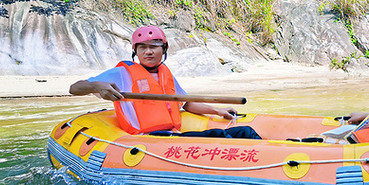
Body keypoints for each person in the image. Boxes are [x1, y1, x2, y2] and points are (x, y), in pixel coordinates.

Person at [69, 25, 261, 139]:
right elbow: (74, 88)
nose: (148, 51)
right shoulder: (121, 73)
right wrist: (96, 86)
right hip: (148, 140)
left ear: (164, 49)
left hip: (172, 136)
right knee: (218, 136)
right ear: (135, 51)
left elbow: (186, 103)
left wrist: (219, 111)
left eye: (154, 47)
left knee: (246, 131)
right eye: (142, 47)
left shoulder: (165, 73)